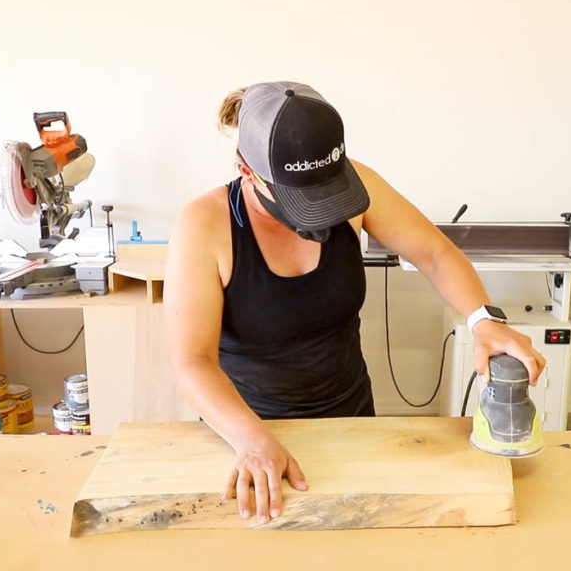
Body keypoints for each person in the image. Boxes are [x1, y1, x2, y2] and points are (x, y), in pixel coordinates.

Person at [164, 81, 546, 524]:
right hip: (246, 434)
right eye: (302, 200)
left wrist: (483, 319)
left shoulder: (357, 183)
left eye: (327, 195)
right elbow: (192, 361)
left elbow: (433, 251)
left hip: (354, 419)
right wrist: (251, 438)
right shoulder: (204, 225)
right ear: (249, 172)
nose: (321, 215)